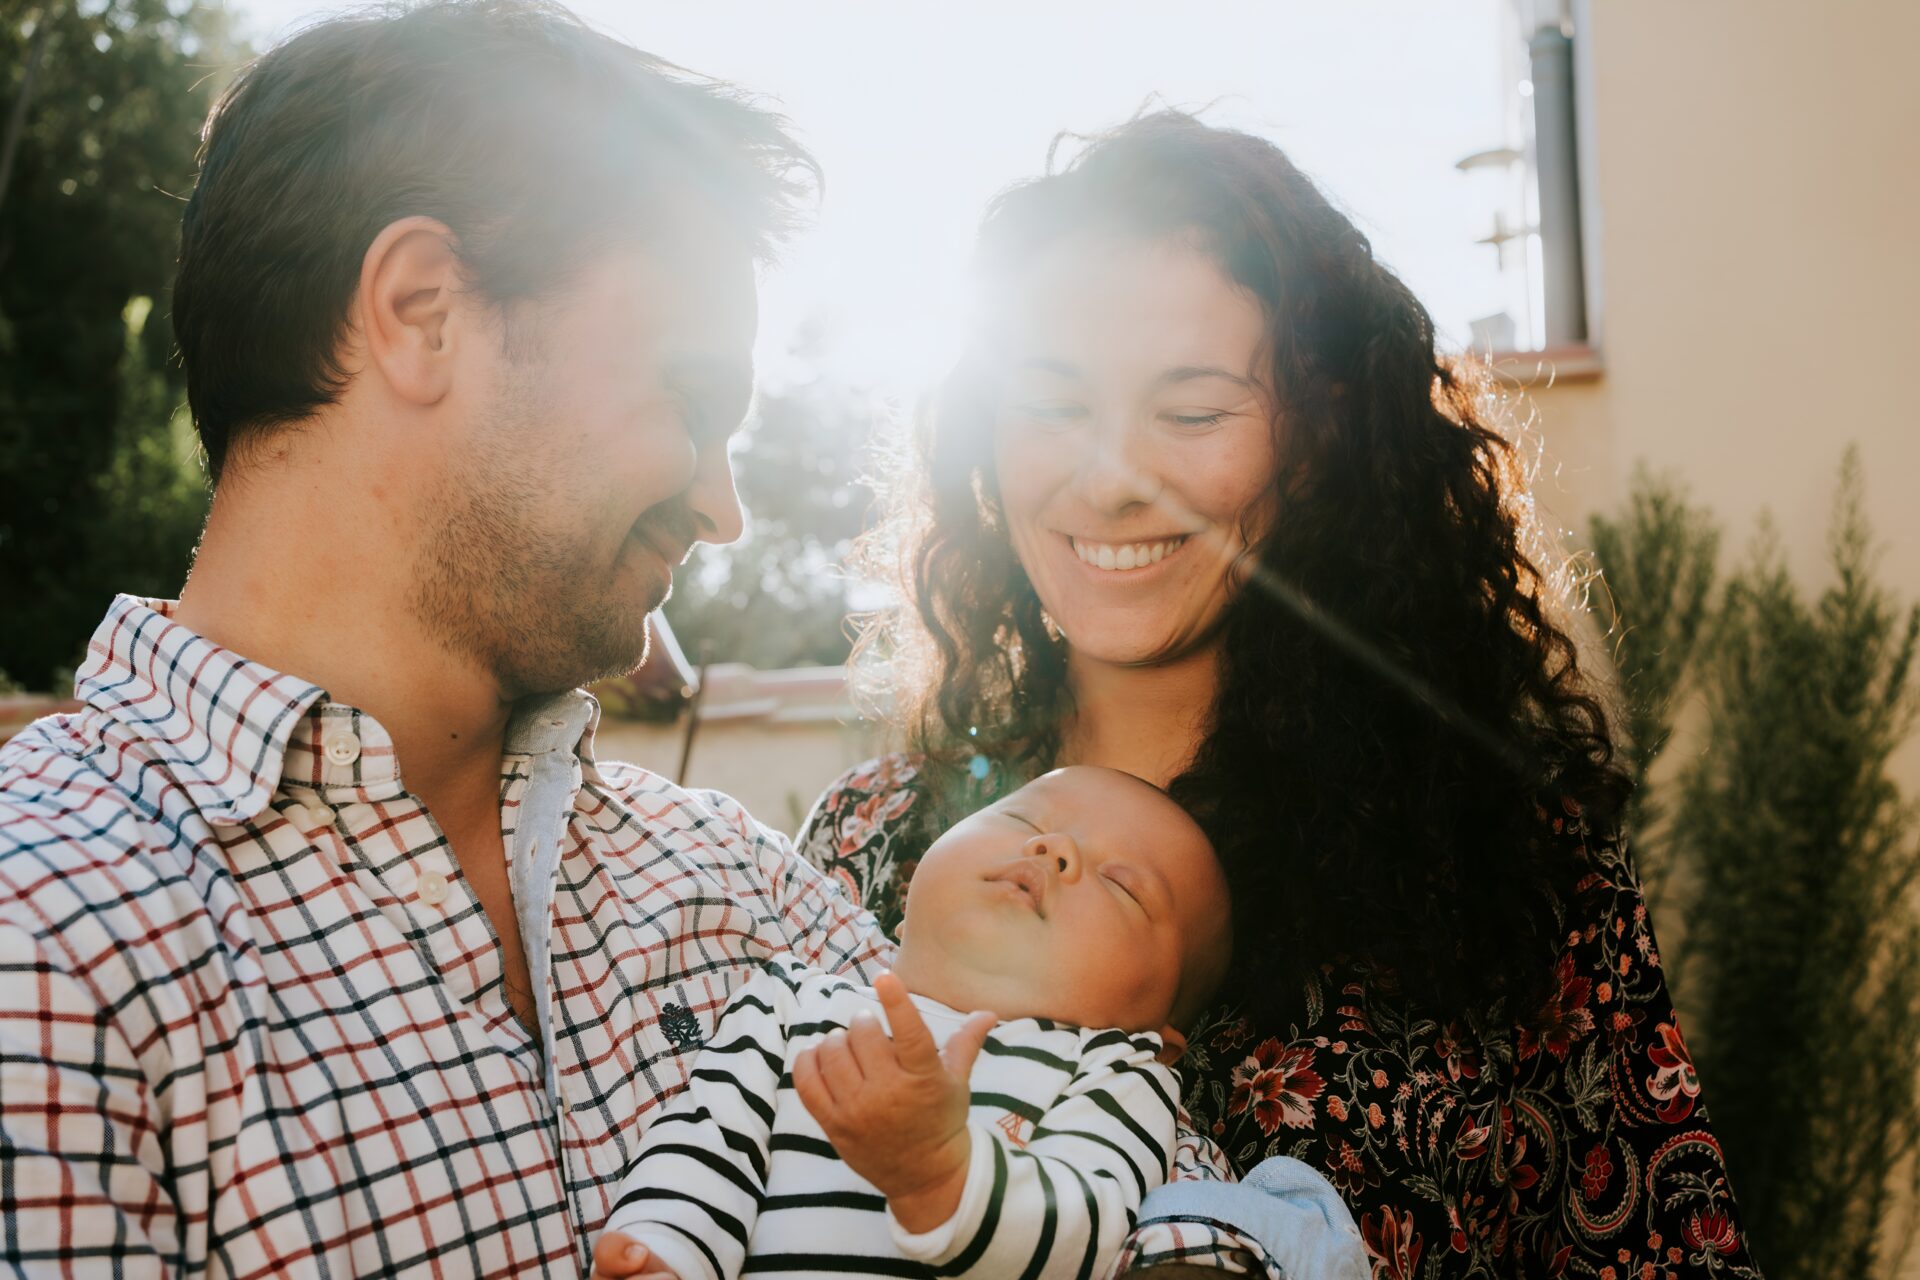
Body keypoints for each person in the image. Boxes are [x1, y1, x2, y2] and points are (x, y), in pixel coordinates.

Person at [0, 12, 1261, 1278]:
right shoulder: (45, 939)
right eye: (691, 401)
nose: (723, 507)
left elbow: (1166, 1174)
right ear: (423, 313)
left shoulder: (733, 875)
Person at [800, 112, 1761, 1275]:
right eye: (1052, 402)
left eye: (1193, 413)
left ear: (1317, 443)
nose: (1111, 480)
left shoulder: (1499, 851)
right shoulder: (870, 840)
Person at [593, 768, 1364, 1280]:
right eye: (1022, 818)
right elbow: (705, 1144)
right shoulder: (789, 1002)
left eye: (1124, 886)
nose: (1053, 849)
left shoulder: (1116, 1071)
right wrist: (663, 1250)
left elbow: (1089, 1235)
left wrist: (942, 1175)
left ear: (1157, 1036)